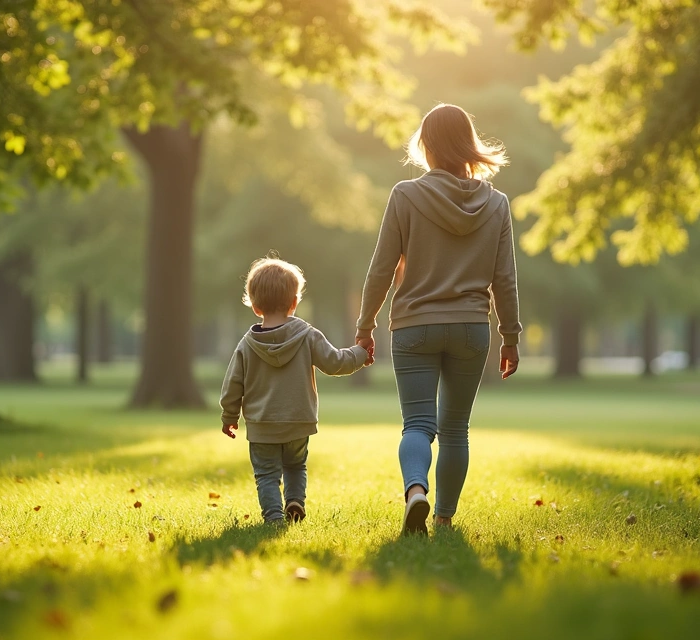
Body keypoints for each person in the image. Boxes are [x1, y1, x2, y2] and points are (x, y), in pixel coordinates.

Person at [355, 103, 522, 535]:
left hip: (413, 325)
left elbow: (381, 268)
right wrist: (511, 336)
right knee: (455, 430)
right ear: (469, 146)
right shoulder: (497, 203)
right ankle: (445, 517)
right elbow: (505, 278)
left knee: (417, 424)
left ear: (426, 147)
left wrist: (365, 324)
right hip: (470, 328)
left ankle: (415, 492)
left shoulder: (405, 195)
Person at [220, 256, 374, 524]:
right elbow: (335, 362)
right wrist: (360, 354)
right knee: (295, 465)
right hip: (299, 419)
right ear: (294, 302)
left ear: (255, 306)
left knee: (267, 474)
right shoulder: (307, 334)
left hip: (262, 423)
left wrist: (229, 416)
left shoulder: (247, 344)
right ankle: (294, 501)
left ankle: (273, 516)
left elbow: (233, 385)